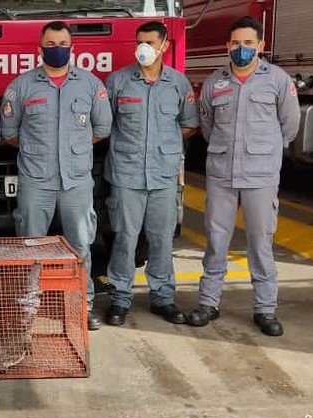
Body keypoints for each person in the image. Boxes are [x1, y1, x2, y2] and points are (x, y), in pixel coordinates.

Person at [186, 16, 300, 336]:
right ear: (227, 45)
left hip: (260, 176)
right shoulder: (214, 82)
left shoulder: (277, 80)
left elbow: (289, 127)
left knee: (260, 243)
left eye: (249, 43)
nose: (242, 49)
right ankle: (208, 303)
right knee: (216, 241)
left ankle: (265, 309)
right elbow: (208, 126)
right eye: (236, 43)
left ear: (261, 46)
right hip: (222, 174)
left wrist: (264, 152)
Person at [0, 21, 112, 330]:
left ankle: (82, 305)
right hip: (36, 181)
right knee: (31, 248)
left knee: (80, 247)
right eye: (50, 44)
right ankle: (28, 308)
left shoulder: (90, 85)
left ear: (72, 48)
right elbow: (9, 133)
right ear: (40, 49)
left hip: (76, 181)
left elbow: (101, 129)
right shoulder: (21, 86)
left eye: (62, 43)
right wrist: (41, 150)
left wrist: (70, 149)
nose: (57, 49)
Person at [102, 21, 199, 327]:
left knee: (161, 239)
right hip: (126, 175)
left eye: (149, 42)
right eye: (139, 41)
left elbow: (188, 125)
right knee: (124, 239)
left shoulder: (179, 84)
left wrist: (164, 149)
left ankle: (163, 299)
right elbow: (105, 126)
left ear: (164, 46)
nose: (143, 47)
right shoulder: (118, 82)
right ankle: (120, 298)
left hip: (163, 176)